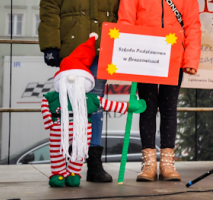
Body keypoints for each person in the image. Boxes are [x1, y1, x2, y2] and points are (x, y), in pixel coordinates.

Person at [39, 0, 131, 182]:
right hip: (72, 48)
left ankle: (93, 162)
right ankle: (66, 165)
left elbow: (123, 9)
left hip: (104, 48)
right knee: (69, 107)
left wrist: (123, 45)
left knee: (95, 104)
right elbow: (50, 5)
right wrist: (50, 45)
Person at [118, 0, 202, 181]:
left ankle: (167, 163)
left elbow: (192, 23)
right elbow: (125, 19)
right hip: (145, 56)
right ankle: (148, 164)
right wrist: (127, 57)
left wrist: (191, 59)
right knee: (147, 107)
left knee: (169, 108)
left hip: (173, 57)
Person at [41, 34, 145, 187]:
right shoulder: (55, 96)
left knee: (79, 152)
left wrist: (130, 106)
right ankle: (58, 174)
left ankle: (72, 174)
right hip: (59, 128)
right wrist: (49, 121)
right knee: (57, 152)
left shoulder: (90, 99)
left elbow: (109, 104)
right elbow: (45, 103)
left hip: (77, 130)